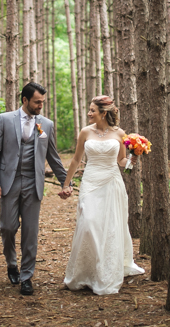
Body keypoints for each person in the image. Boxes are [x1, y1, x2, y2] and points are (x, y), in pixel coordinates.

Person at [0, 82, 68, 296]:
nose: (41, 105)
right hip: (9, 181)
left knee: (30, 232)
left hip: (34, 183)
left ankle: (26, 277)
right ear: (25, 100)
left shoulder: (46, 125)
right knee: (7, 227)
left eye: (42, 101)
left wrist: (65, 182)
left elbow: (53, 156)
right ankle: (11, 263)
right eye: (37, 102)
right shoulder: (5, 120)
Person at [60, 95, 144, 295]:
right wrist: (66, 184)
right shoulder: (85, 132)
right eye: (89, 110)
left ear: (103, 113)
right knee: (88, 223)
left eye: (92, 110)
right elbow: (76, 160)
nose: (89, 113)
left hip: (111, 182)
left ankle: (104, 273)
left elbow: (123, 163)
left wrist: (134, 156)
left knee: (109, 227)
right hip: (90, 182)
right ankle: (84, 272)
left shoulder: (120, 134)